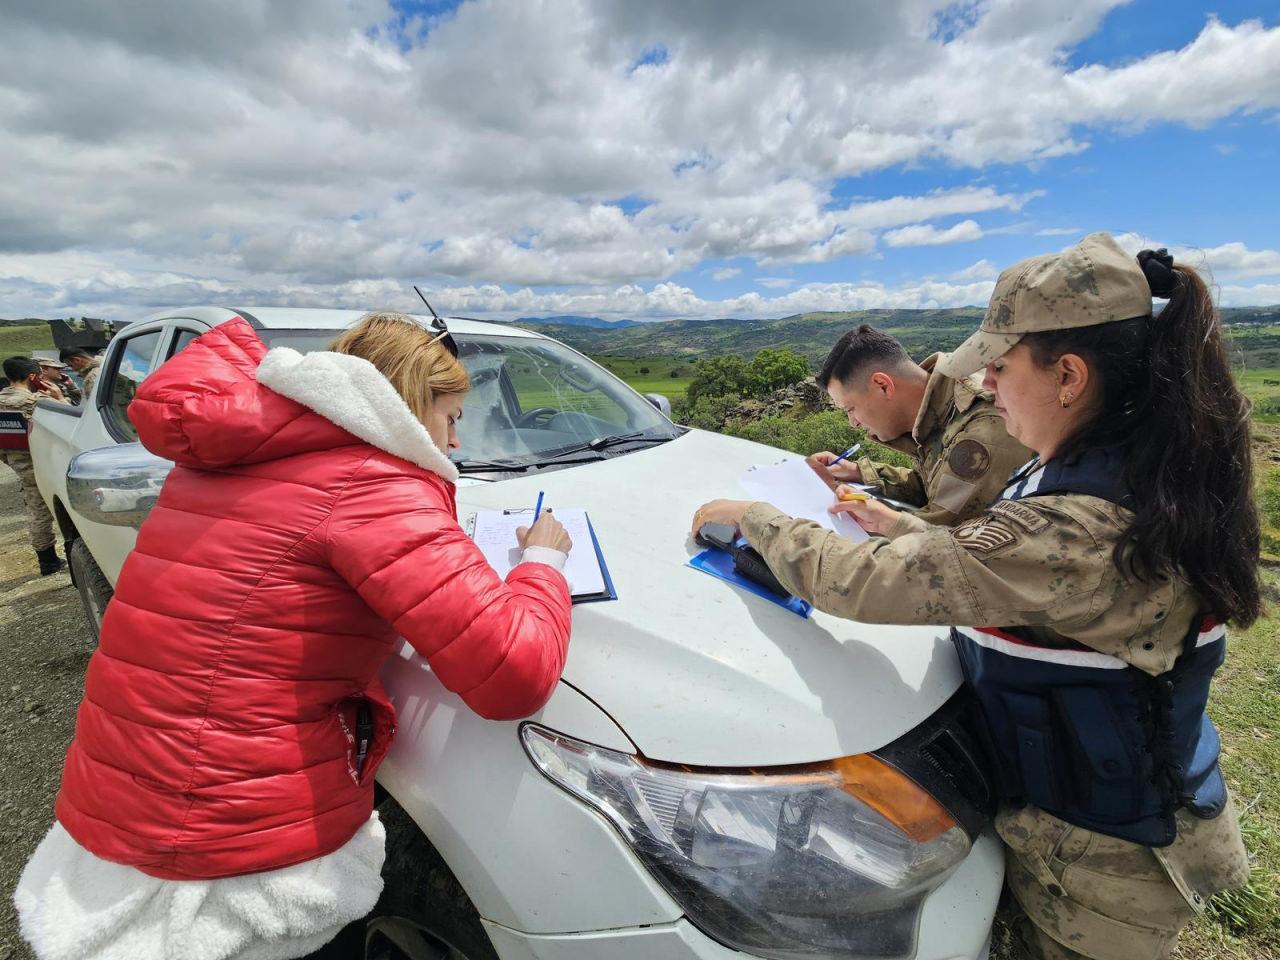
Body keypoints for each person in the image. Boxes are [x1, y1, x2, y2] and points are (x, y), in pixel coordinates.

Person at [692, 233, 1254, 959]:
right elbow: (983, 543)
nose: (985, 384)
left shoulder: (1080, 523)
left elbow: (862, 582)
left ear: (1069, 376)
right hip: (1091, 820)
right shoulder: (1116, 462)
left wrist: (757, 518)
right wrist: (898, 520)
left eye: (1001, 366)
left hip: (1106, 868)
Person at [16, 312, 576, 960]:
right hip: (238, 843)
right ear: (409, 405)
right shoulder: (373, 483)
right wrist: (542, 564)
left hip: (132, 791)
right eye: (451, 419)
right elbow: (515, 672)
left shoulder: (232, 461)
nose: (452, 446)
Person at [811, 325, 1030, 530]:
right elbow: (935, 486)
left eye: (850, 408)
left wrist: (835, 499)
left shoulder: (980, 430)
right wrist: (858, 473)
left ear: (883, 386)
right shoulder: (937, 407)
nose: (853, 422)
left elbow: (937, 534)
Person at [1, 357, 68, 575]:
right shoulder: (36, 401)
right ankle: (59, 556)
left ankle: (48, 560)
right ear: (32, 377)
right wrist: (59, 397)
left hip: (20, 464)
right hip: (46, 462)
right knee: (58, 508)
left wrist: (11, 461)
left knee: (37, 509)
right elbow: (68, 423)